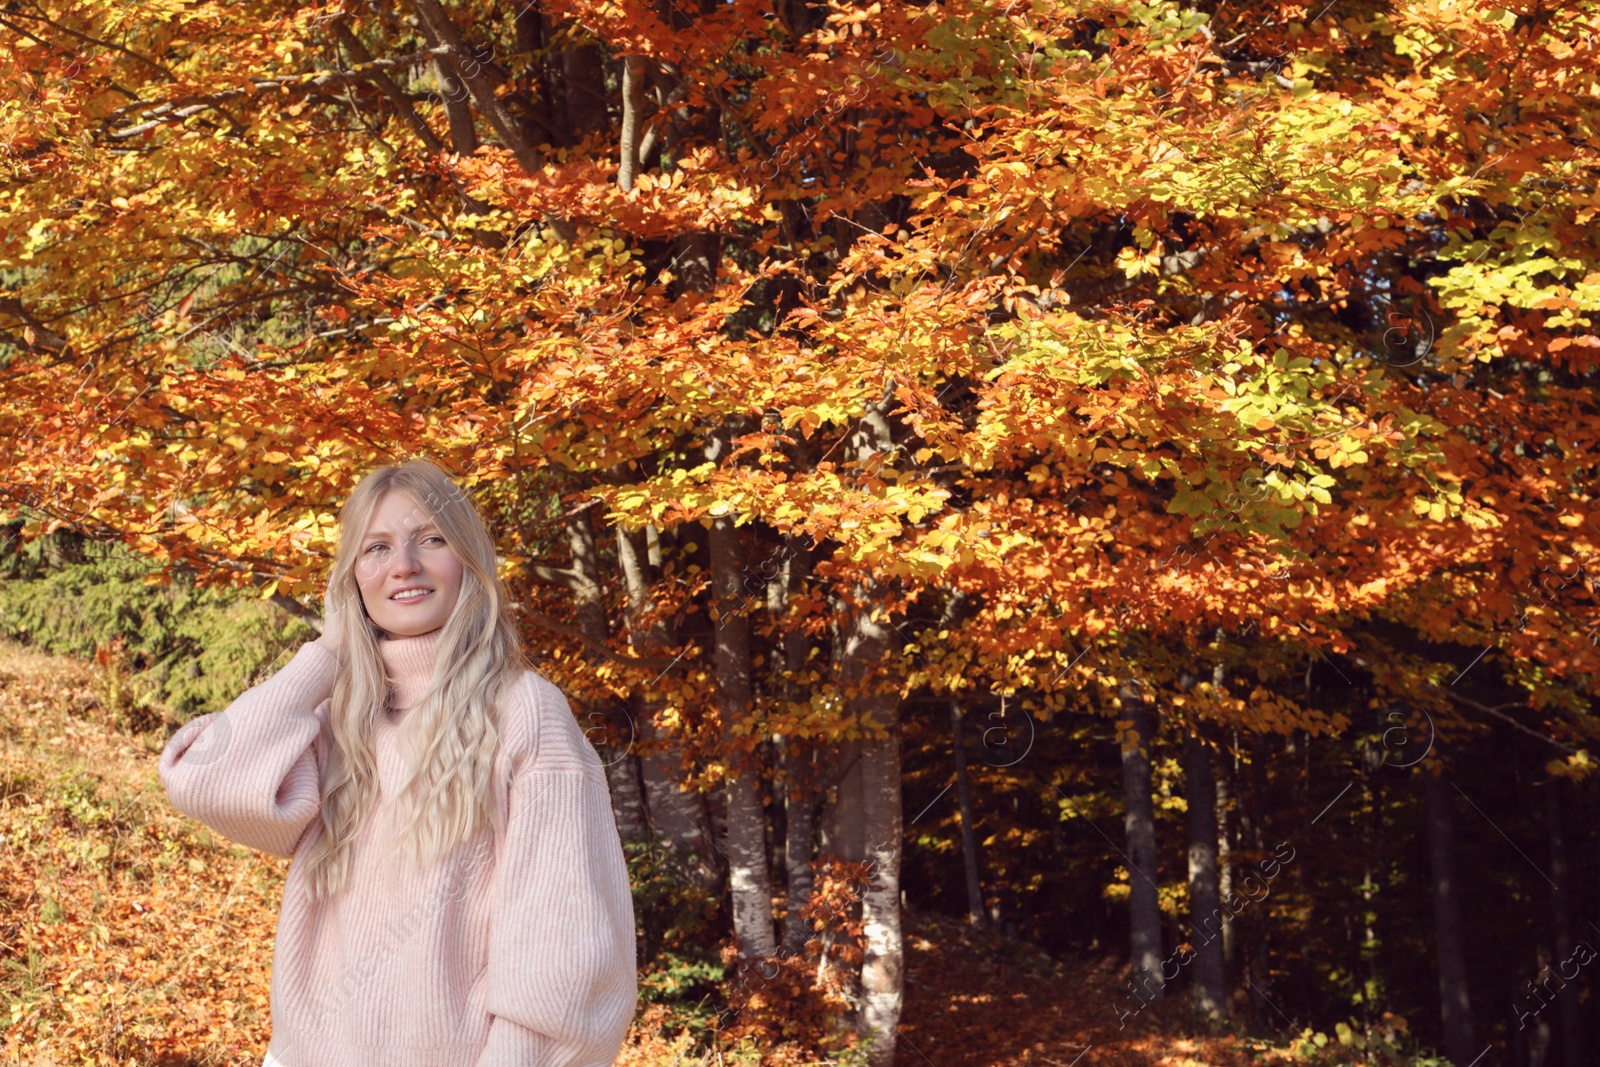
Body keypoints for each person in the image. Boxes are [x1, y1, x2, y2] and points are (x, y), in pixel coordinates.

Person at [159, 458, 637, 1067]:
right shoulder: (338, 715)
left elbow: (564, 946)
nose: (404, 565)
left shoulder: (525, 713)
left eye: (430, 539)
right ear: (352, 577)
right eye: (376, 548)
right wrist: (328, 651)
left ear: (467, 558)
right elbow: (205, 782)